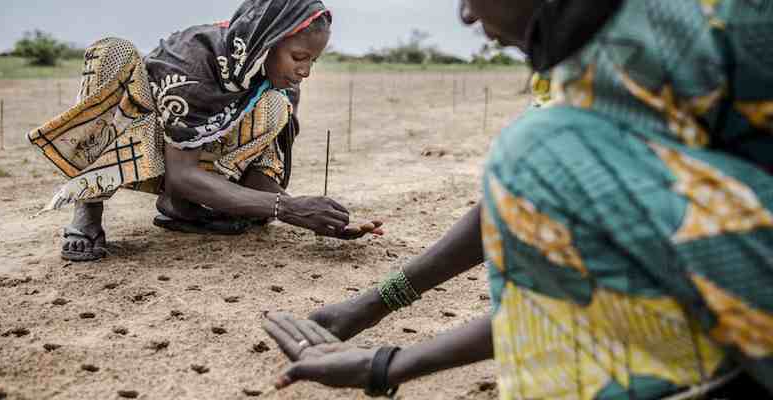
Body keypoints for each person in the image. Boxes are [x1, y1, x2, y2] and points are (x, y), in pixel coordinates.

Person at [263, 0, 773, 398]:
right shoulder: (593, 49)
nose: (465, 15)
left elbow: (566, 274)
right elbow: (534, 213)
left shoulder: (687, 29)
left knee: (536, 150)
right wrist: (377, 312)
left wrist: (390, 362)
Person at [27, 0, 383, 262]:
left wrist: (313, 217)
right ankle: (89, 208)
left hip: (196, 163)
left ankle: (182, 208)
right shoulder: (193, 61)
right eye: (299, 57)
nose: (305, 71)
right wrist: (287, 210)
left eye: (312, 61)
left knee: (276, 106)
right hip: (141, 141)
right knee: (113, 53)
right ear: (267, 41)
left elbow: (255, 172)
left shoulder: (278, 85)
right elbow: (182, 173)